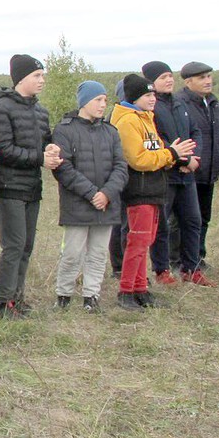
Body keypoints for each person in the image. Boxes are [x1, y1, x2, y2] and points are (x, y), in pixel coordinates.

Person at [111, 74, 195, 310]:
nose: (153, 99)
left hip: (153, 188)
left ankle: (140, 289)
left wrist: (172, 154)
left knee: (145, 241)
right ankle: (126, 291)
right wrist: (171, 155)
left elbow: (155, 150)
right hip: (139, 188)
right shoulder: (128, 122)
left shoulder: (146, 118)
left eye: (153, 95)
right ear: (135, 97)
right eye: (148, 95)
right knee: (136, 242)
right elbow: (138, 159)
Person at [0, 54, 62, 318]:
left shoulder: (40, 111)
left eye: (42, 75)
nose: (42, 80)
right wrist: (40, 158)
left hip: (32, 186)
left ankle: (17, 299)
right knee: (14, 245)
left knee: (26, 245)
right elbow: (2, 150)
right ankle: (3, 303)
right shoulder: (1, 109)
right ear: (21, 78)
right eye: (36, 76)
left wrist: (50, 148)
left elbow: (43, 142)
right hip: (8, 186)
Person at [51, 82, 128, 313]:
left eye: (105, 100)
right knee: (72, 253)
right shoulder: (64, 130)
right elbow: (63, 168)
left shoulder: (110, 131)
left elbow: (120, 167)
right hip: (77, 204)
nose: (103, 105)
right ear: (84, 101)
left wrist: (106, 194)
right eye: (98, 100)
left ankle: (91, 296)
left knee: (97, 254)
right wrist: (92, 193)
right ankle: (63, 294)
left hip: (106, 204)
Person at [141, 62, 207, 286]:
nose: (169, 80)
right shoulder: (150, 107)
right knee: (162, 226)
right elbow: (156, 139)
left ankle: (191, 268)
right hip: (165, 175)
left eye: (170, 76)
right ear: (151, 82)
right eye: (163, 77)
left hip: (187, 176)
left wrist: (193, 158)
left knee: (192, 221)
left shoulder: (180, 103)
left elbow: (195, 131)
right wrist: (180, 159)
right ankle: (161, 270)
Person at [177, 61, 219, 268]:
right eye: (202, 78)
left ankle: (198, 256)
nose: (208, 81)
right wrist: (185, 161)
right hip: (188, 169)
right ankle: (181, 260)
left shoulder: (212, 103)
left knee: (204, 217)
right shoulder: (180, 103)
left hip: (209, 169)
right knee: (186, 219)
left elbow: (216, 135)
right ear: (188, 81)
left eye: (209, 76)